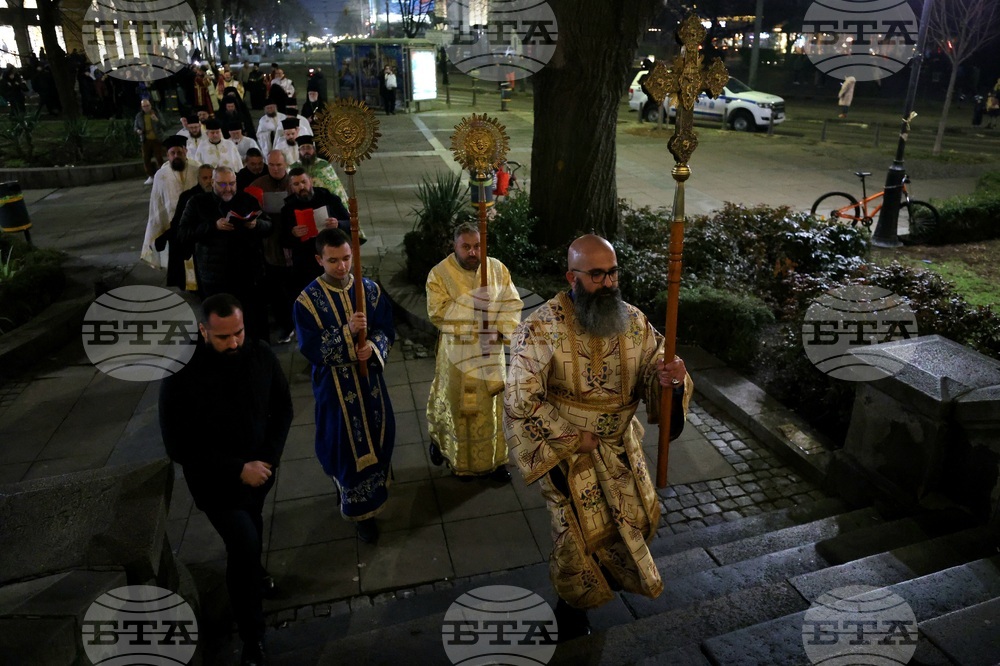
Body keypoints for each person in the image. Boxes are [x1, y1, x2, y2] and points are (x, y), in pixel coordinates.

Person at [503, 234, 692, 641]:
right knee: (575, 538)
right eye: (596, 275)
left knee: (629, 520)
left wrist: (668, 379)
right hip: (570, 455)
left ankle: (606, 585)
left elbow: (654, 361)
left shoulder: (633, 320)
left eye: (612, 273)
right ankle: (571, 609)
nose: (608, 283)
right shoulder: (539, 329)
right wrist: (572, 437)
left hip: (621, 446)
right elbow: (521, 397)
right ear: (572, 277)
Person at [160, 293, 292, 666]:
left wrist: (268, 458)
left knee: (253, 527)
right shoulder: (181, 372)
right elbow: (178, 444)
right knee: (244, 543)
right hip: (216, 483)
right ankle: (253, 637)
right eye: (224, 337)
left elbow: (282, 407)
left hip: (260, 474)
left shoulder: (260, 354)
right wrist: (238, 468)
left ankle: (256, 572)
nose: (234, 342)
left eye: (239, 332)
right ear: (203, 331)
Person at [293, 228, 396, 544]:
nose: (342, 266)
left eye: (347, 258)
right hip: (335, 389)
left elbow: (386, 328)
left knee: (380, 437)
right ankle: (359, 511)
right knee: (345, 447)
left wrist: (374, 347)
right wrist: (347, 334)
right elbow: (310, 347)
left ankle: (374, 497)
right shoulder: (307, 302)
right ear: (319, 260)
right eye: (333, 260)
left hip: (371, 386)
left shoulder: (370, 290)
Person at [426, 222, 523, 482]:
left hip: (489, 352)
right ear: (455, 246)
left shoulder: (496, 268)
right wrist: (473, 310)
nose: (472, 252)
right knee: (457, 406)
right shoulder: (439, 273)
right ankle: (457, 456)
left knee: (493, 407)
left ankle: (495, 461)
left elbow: (511, 302)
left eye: (477, 246)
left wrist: (499, 330)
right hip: (457, 355)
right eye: (466, 247)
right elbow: (438, 311)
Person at [176, 166, 271, 342]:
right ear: (212, 182)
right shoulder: (197, 202)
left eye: (232, 183)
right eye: (222, 184)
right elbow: (182, 233)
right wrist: (212, 226)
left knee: (253, 321)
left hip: (248, 273)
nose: (228, 188)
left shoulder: (246, 199)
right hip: (215, 276)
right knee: (220, 321)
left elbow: (268, 225)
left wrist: (256, 225)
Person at [140, 134, 202, 274]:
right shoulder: (161, 175)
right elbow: (157, 203)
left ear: (185, 151)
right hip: (172, 222)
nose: (176, 156)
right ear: (167, 155)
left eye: (179, 152)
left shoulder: (197, 168)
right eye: (172, 153)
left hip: (194, 221)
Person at [290, 135, 348, 202]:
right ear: (299, 151)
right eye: (303, 148)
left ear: (314, 150)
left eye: (309, 148)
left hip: (323, 201)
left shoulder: (324, 165)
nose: (306, 151)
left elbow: (335, 188)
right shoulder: (293, 167)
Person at [134, 97, 169, 184]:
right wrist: (138, 131)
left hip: (157, 139)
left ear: (150, 105)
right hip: (145, 139)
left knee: (159, 158)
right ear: (142, 107)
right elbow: (135, 127)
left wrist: (156, 120)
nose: (146, 108)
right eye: (144, 106)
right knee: (146, 158)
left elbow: (165, 126)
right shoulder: (139, 116)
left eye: (148, 105)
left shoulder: (156, 113)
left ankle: (162, 175)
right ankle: (151, 176)